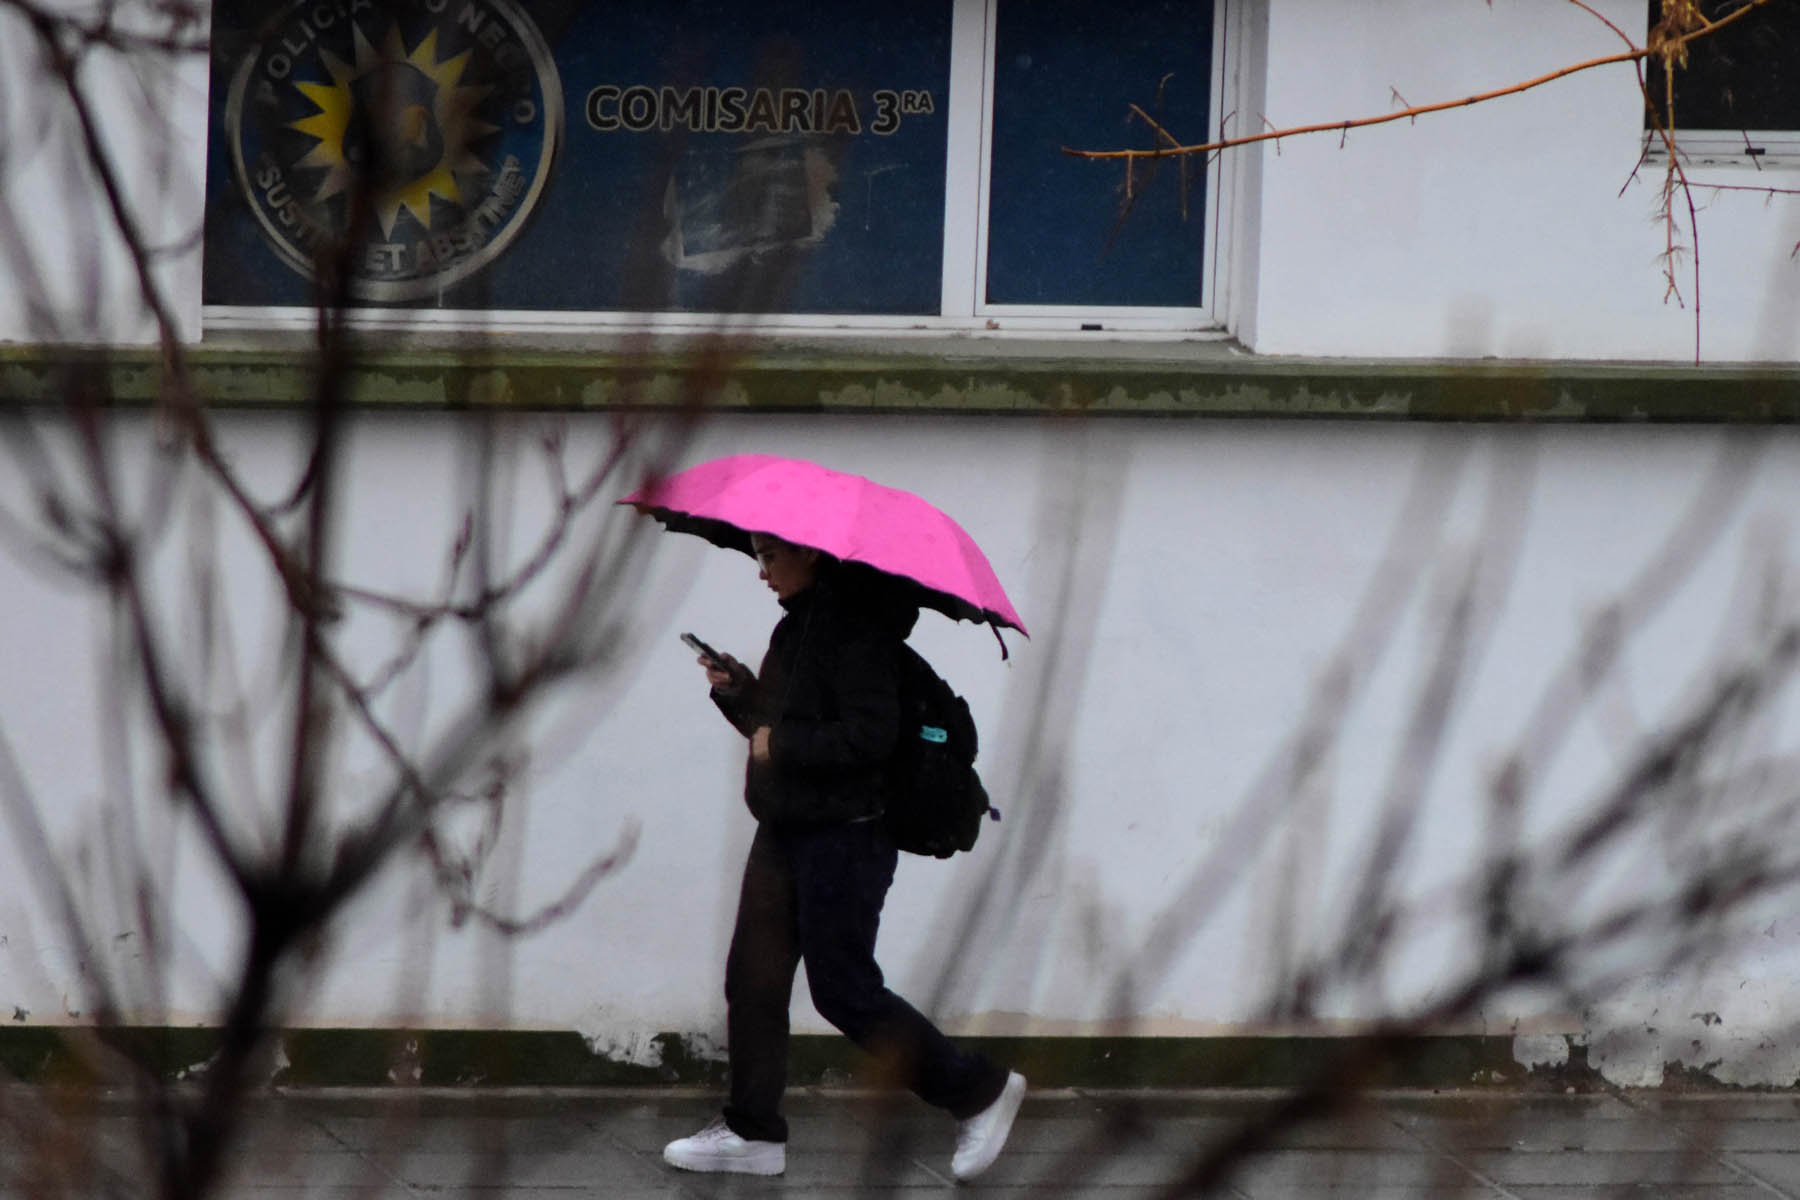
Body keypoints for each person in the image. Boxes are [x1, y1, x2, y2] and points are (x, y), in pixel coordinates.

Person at [663, 532, 1026, 1180]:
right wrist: (737, 693)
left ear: (811, 556)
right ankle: (753, 1133)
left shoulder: (858, 632)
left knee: (844, 990)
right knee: (754, 981)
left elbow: (869, 737)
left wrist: (785, 742)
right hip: (784, 828)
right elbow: (771, 728)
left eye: (771, 555)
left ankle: (978, 1090)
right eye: (757, 555)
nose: (761, 570)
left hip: (847, 837)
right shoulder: (796, 629)